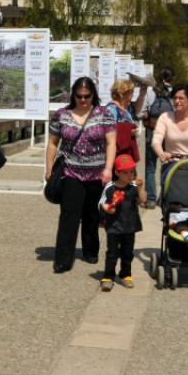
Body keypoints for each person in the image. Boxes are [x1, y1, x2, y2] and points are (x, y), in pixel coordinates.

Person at [46, 76, 117, 273]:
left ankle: (90, 249)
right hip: (71, 171)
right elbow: (53, 143)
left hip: (97, 172)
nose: (83, 100)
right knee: (69, 214)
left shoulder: (104, 114)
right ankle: (63, 258)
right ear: (73, 95)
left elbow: (111, 142)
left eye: (87, 96)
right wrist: (49, 167)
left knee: (91, 214)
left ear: (93, 95)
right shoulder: (62, 114)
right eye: (79, 96)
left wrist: (108, 169)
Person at [98, 154, 146, 291]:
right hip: (114, 226)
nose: (129, 175)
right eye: (125, 172)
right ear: (117, 172)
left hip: (129, 225)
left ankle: (126, 274)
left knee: (127, 253)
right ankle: (108, 276)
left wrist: (141, 187)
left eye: (131, 171)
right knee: (112, 253)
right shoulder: (110, 187)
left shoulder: (133, 186)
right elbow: (102, 203)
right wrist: (108, 209)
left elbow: (142, 200)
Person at [137, 67, 175, 209]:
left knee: (150, 167)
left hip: (152, 131)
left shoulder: (151, 92)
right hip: (170, 132)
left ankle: (151, 199)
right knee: (168, 164)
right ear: (174, 78)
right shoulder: (176, 93)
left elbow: (140, 113)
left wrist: (147, 114)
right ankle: (165, 198)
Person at [107, 79, 140, 162]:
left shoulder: (125, 108)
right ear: (125, 93)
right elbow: (109, 130)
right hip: (117, 155)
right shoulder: (112, 109)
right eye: (131, 91)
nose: (133, 94)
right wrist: (129, 132)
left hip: (125, 154)